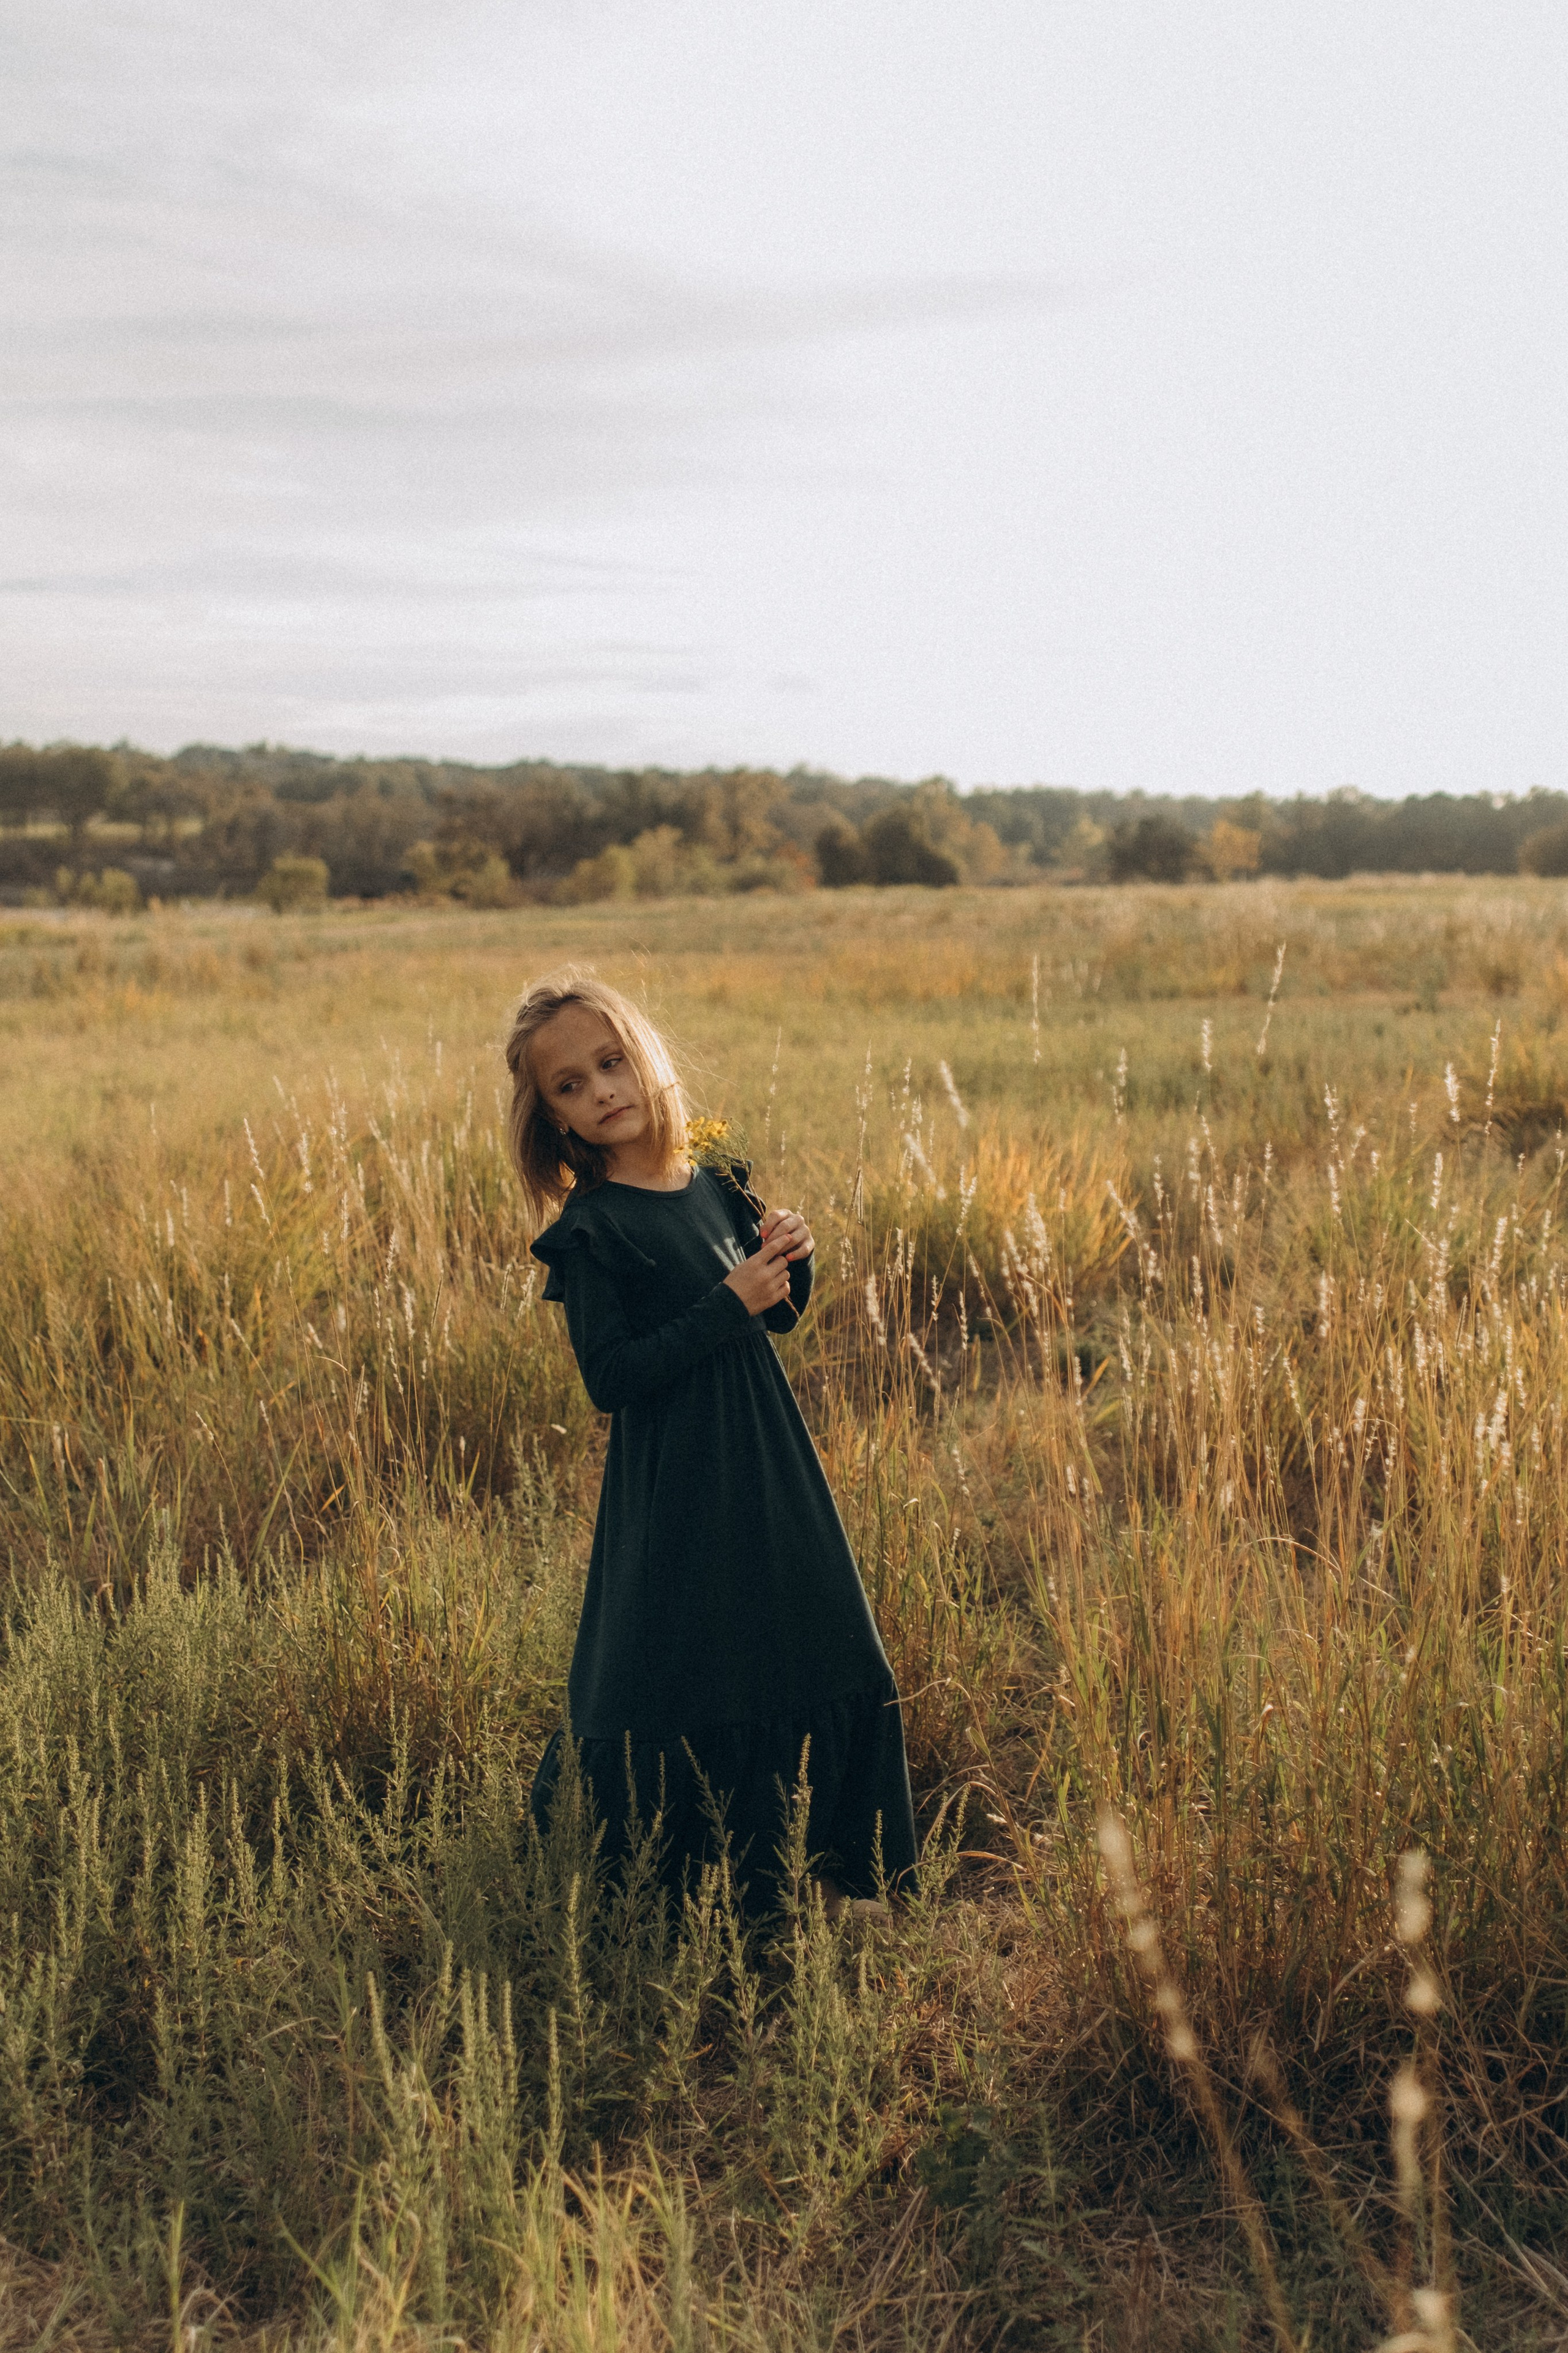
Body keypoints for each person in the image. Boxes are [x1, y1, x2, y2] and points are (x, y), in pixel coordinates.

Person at [503, 969, 916, 1915]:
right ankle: (669, 1883)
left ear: (645, 1054)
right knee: (672, 1668)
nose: (602, 1090)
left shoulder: (718, 1181)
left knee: (827, 1637)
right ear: (554, 1117)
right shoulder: (593, 1230)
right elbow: (612, 1377)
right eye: (571, 1084)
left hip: (770, 1462)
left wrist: (789, 1260)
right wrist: (726, 1305)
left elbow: (777, 1319)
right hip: (677, 1479)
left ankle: (836, 1864)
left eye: (611, 1063)